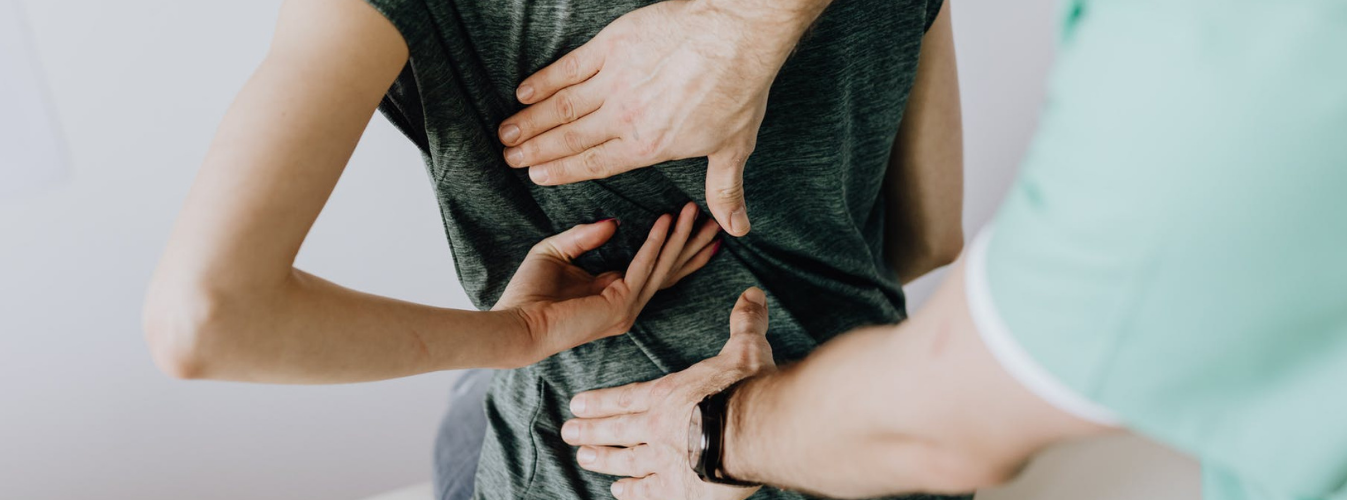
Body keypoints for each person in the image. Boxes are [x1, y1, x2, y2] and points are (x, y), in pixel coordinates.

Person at [545, 1, 1347, 500]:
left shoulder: (1218, 80)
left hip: (646, 448)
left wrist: (711, 429)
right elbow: (929, 238)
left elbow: (951, 418)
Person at [143, 1, 967, 500]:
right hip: (869, 444)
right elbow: (929, 238)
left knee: (474, 399)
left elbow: (207, 318)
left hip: (593, 464)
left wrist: (521, 336)